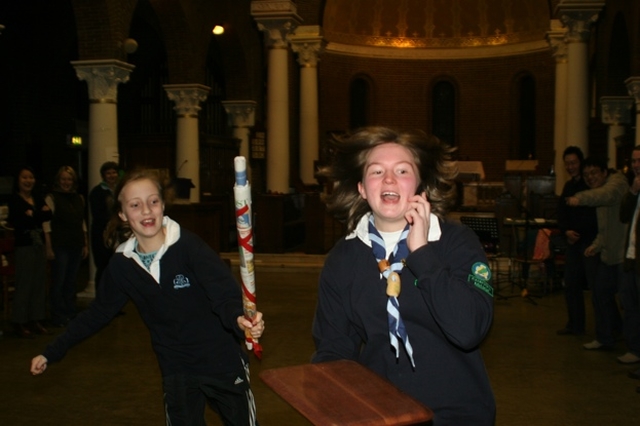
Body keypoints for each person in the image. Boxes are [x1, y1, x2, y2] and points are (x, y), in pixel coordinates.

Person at [30, 169, 265, 426]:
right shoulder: (122, 266)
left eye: (153, 201)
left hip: (221, 362)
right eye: (135, 204)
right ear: (122, 214)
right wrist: (52, 352)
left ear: (163, 205)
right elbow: (97, 314)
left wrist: (239, 319)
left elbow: (223, 295)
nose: (146, 210)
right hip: (176, 368)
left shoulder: (189, 247)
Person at [311, 127, 495, 425]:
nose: (388, 179)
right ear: (361, 188)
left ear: (420, 187)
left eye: (402, 170)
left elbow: (469, 330)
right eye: (376, 171)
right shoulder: (343, 258)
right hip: (380, 413)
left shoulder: (456, 243)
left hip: (456, 413)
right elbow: (334, 347)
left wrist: (421, 253)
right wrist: (329, 397)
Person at [566, 157, 627, 351]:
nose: (590, 177)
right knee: (599, 294)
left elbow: (607, 195)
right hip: (608, 255)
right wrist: (596, 245)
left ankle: (634, 347)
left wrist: (580, 198)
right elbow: (605, 230)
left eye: (593, 173)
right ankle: (604, 338)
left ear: (604, 172)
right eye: (586, 175)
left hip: (625, 256)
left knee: (629, 303)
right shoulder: (599, 194)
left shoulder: (617, 184)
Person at [555, 146, 598, 336]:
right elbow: (561, 212)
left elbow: (591, 215)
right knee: (571, 284)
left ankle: (610, 327)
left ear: (581, 163)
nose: (570, 167)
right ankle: (575, 325)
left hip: (589, 241)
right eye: (567, 164)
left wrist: (577, 232)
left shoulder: (589, 185)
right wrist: (566, 231)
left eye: (573, 163)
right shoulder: (568, 187)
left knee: (596, 286)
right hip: (572, 242)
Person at [7, 166, 53, 338]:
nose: (28, 181)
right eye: (24, 178)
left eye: (31, 177)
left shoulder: (37, 198)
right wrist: (36, 215)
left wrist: (32, 214)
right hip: (24, 246)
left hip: (38, 245)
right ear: (18, 181)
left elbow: (48, 216)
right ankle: (20, 321)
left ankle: (36, 319)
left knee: (39, 283)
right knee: (24, 284)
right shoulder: (14, 200)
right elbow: (19, 221)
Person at [43, 166, 89, 327]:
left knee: (71, 281)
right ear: (58, 180)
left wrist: (85, 243)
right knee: (59, 282)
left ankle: (71, 312)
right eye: (63, 179)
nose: (66, 182)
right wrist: (48, 247)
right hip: (59, 245)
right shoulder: (52, 198)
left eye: (69, 179)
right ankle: (58, 315)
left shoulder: (79, 198)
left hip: (76, 244)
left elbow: (81, 222)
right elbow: (46, 225)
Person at [618, 145, 640, 373]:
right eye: (634, 160)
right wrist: (633, 192)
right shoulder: (633, 188)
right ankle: (634, 349)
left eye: (639, 160)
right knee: (630, 305)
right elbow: (624, 216)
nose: (636, 165)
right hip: (631, 257)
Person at [88, 161, 119, 288]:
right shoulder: (96, 192)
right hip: (102, 235)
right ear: (103, 176)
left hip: (118, 234)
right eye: (108, 173)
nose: (111, 175)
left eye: (114, 172)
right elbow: (98, 215)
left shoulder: (121, 190)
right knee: (103, 267)